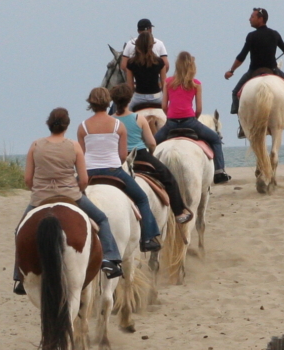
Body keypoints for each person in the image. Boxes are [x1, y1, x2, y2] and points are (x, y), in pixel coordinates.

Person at [14, 107, 122, 294]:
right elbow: (84, 179)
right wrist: (76, 189)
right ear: (66, 126)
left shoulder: (35, 145)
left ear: (48, 124)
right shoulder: (74, 146)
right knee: (102, 219)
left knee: (19, 231)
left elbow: (28, 179)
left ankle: (19, 276)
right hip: (71, 195)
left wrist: (39, 190)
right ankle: (109, 258)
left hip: (40, 197)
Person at [78, 89, 162, 252]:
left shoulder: (83, 127)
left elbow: (81, 156)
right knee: (142, 198)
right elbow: (123, 155)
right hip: (113, 170)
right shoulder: (118, 125)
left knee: (66, 198)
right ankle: (147, 238)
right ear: (108, 102)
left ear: (91, 103)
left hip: (89, 173)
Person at [156, 51, 232, 185]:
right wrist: (194, 118)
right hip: (190, 122)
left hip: (171, 123)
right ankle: (219, 171)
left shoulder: (168, 82)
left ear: (177, 65)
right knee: (215, 139)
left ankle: (147, 171)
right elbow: (199, 109)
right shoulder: (196, 84)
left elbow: (164, 106)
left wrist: (171, 115)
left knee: (151, 143)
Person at [224, 8, 284, 135]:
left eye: (252, 17)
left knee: (235, 93)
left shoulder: (251, 36)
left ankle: (242, 126)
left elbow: (241, 56)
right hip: (272, 70)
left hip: (254, 71)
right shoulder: (275, 34)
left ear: (261, 19)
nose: (249, 19)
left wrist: (231, 70)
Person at [118, 93, 193, 224]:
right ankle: (179, 212)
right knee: (169, 178)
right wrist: (151, 154)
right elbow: (152, 143)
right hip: (140, 154)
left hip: (119, 156)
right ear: (129, 100)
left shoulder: (111, 120)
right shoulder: (138, 118)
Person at [122, 30, 167, 112]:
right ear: (152, 45)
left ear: (138, 44)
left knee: (127, 113)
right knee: (170, 113)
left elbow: (130, 87)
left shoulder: (131, 63)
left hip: (139, 97)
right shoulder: (160, 62)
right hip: (156, 97)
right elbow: (164, 85)